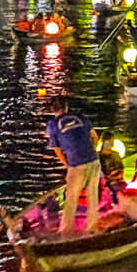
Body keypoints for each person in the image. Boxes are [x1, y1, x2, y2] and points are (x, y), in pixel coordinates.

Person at [45, 96, 103, 235]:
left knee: (71, 199)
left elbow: (57, 149)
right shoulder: (80, 117)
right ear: (66, 106)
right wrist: (93, 151)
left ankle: (65, 231)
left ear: (52, 109)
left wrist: (66, 164)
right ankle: (92, 227)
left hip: (76, 164)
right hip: (93, 160)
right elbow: (94, 137)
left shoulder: (53, 124)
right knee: (92, 195)